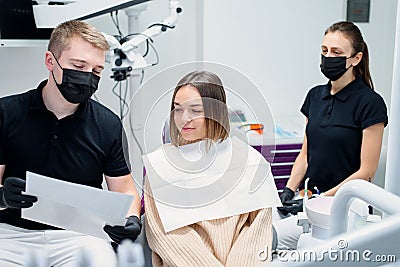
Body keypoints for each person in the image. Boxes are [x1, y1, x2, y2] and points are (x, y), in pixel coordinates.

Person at [0, 20, 142, 266]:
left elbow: (125, 189)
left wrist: (131, 219)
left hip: (81, 236)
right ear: (50, 61)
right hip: (10, 234)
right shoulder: (7, 113)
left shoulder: (108, 124)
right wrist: (2, 197)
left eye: (96, 71)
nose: (87, 77)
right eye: (78, 65)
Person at [143, 71, 281, 266]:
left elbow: (257, 232)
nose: (184, 118)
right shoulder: (161, 165)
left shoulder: (250, 162)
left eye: (195, 110)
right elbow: (167, 238)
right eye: (178, 109)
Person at [274, 21, 388, 249]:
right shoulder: (315, 96)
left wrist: (321, 199)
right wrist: (289, 190)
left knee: (275, 241)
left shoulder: (370, 103)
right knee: (261, 231)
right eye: (324, 51)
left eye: (336, 52)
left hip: (347, 206)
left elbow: (366, 171)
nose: (328, 57)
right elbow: (305, 155)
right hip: (310, 199)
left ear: (356, 58)